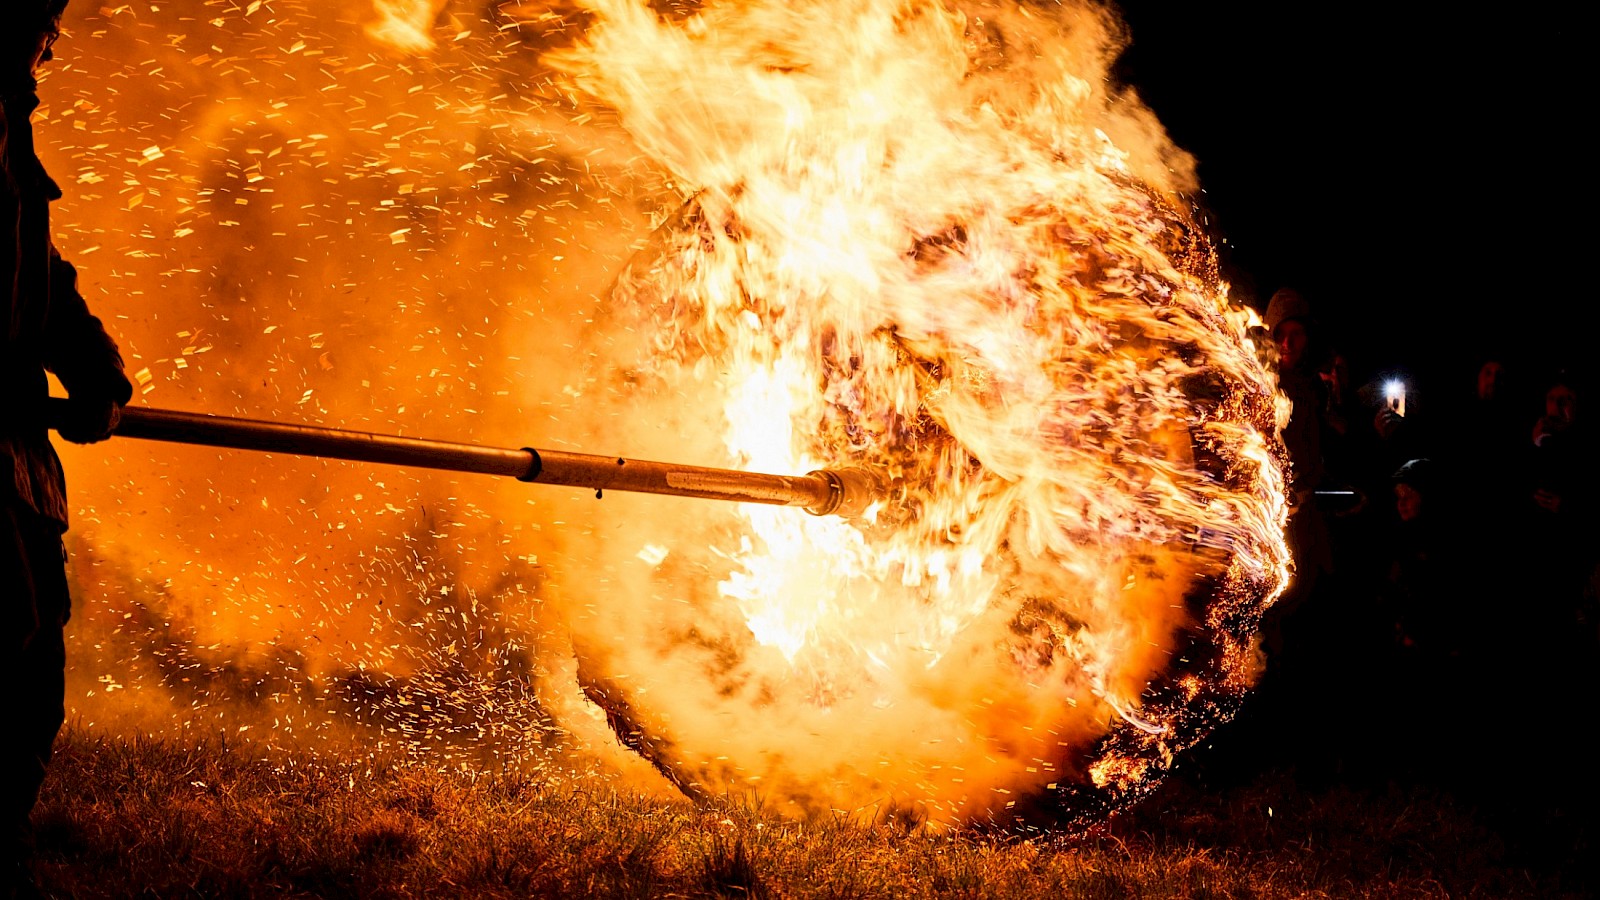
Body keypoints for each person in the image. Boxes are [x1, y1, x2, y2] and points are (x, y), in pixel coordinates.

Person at [3, 2, 133, 895]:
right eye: (42, 18)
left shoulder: (4, 126)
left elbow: (32, 271)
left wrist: (94, 370)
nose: (54, 38)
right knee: (6, 682)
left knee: (24, 679)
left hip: (5, 456)